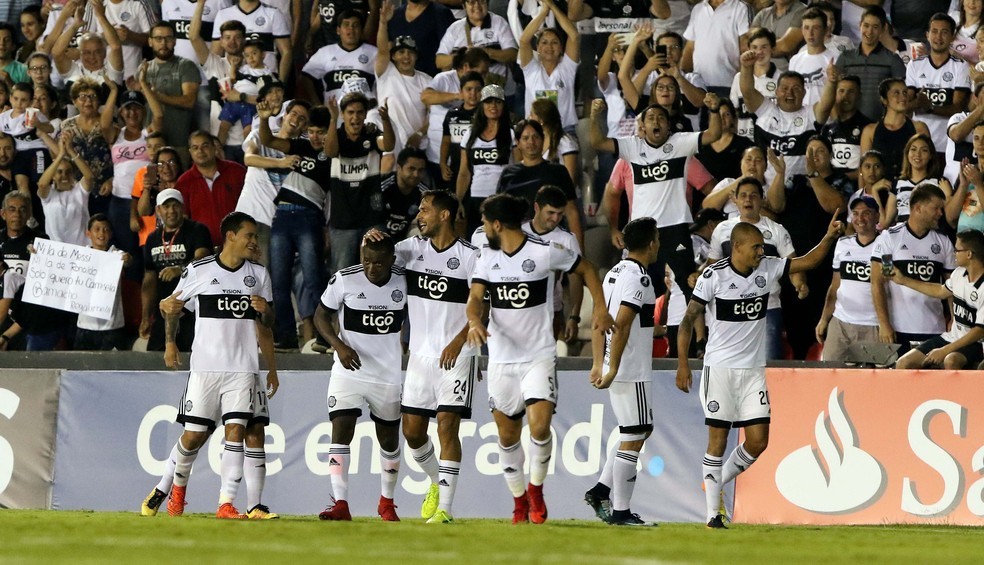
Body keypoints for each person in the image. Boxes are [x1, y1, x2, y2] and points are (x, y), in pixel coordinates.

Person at [676, 215, 844, 529]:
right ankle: (713, 514)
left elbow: (809, 261)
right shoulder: (713, 276)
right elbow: (688, 320)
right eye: (755, 247)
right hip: (721, 370)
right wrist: (683, 363)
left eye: (762, 247)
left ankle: (715, 481)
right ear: (736, 247)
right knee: (717, 441)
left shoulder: (767, 268)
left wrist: (829, 236)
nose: (760, 252)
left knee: (758, 442)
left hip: (753, 371)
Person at [464, 193, 614, 524]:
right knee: (507, 437)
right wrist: (474, 320)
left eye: (485, 222)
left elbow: (588, 269)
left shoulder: (545, 252)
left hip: (538, 356)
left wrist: (600, 309)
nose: (483, 228)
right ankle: (519, 501)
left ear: (497, 224)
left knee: (540, 426)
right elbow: (475, 298)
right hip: (501, 359)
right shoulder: (486, 258)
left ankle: (535, 489)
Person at [142, 211, 276, 520]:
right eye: (249, 235)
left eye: (255, 237)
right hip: (205, 369)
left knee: (236, 431)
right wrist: (170, 343)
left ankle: (225, 503)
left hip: (242, 368)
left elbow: (268, 323)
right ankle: (169, 489)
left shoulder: (258, 274)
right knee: (193, 436)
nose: (254, 241)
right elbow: (172, 306)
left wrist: (265, 311)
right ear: (231, 236)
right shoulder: (199, 270)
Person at [368, 190, 479, 524]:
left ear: (445, 215)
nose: (419, 215)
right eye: (419, 210)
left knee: (447, 426)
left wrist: (458, 342)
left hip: (457, 355)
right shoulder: (410, 249)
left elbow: (481, 308)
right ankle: (435, 481)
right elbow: (375, 261)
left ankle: (445, 508)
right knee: (413, 433)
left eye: (426, 210)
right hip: (420, 356)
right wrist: (370, 239)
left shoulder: (470, 257)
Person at [589, 93, 722, 301]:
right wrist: (594, 116)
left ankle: (695, 324)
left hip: (676, 228)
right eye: (651, 118)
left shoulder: (681, 143)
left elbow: (713, 134)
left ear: (668, 126)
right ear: (643, 126)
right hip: (642, 230)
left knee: (689, 287)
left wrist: (714, 110)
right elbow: (597, 142)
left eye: (661, 118)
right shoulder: (632, 147)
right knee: (637, 289)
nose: (656, 122)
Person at [314, 234, 407, 522]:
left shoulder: (404, 281)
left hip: (386, 374)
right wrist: (338, 345)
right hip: (349, 371)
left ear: (392, 260)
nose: (371, 268)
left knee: (389, 440)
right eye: (366, 261)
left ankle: (387, 502)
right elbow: (320, 316)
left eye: (378, 263)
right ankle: (340, 503)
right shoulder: (345, 279)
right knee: (341, 430)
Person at [584, 217, 660, 527]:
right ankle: (620, 511)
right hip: (630, 367)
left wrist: (597, 362)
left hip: (617, 363)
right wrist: (613, 367)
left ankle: (601, 490)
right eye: (657, 238)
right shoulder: (640, 278)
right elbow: (623, 325)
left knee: (640, 429)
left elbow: (599, 319)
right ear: (651, 243)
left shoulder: (614, 273)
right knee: (635, 434)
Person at [256, 101, 333, 351]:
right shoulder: (301, 145)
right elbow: (268, 140)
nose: (315, 136)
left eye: (320, 132)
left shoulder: (333, 155)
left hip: (309, 217)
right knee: (278, 281)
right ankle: (287, 335)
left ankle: (324, 336)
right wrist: (264, 119)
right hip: (282, 216)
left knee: (313, 279)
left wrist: (335, 120)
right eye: (311, 131)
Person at [703, 177, 802, 361]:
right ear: (735, 199)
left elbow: (793, 264)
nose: (748, 199)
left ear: (762, 199)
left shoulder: (776, 230)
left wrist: (799, 283)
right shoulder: (722, 229)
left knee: (768, 365)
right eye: (743, 195)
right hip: (729, 308)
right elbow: (712, 264)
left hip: (767, 308)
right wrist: (698, 276)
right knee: (729, 363)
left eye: (754, 195)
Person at [871, 184, 956, 355]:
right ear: (918, 208)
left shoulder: (943, 242)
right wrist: (884, 323)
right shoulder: (890, 239)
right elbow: (879, 282)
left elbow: (951, 286)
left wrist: (955, 319)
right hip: (898, 329)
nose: (940, 213)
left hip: (935, 329)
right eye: (936, 208)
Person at [891, 228, 984, 369]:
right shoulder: (959, 274)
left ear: (969, 254)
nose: (954, 254)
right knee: (904, 363)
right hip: (952, 337)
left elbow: (980, 331)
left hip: (976, 343)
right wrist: (903, 280)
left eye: (957, 250)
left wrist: (944, 350)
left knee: (950, 360)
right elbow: (940, 291)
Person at [140, 188, 212, 351]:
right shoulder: (152, 238)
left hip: (192, 309)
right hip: (163, 310)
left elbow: (204, 257)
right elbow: (149, 278)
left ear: (183, 207)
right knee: (157, 356)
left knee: (192, 356)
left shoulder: (197, 230)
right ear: (158, 210)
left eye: (175, 205)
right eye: (166, 206)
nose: (171, 210)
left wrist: (181, 268)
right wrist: (145, 316)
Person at [496, 119, 581, 248]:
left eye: (535, 137)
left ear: (543, 140)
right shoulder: (508, 174)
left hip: (553, 240)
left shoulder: (558, 171)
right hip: (517, 241)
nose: (531, 142)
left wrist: (579, 249)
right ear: (518, 143)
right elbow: (500, 213)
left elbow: (571, 211)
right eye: (525, 138)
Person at [816, 195, 881, 362]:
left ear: (877, 216)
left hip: (873, 325)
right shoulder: (843, 244)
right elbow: (835, 286)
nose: (860, 218)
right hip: (841, 323)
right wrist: (824, 319)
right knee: (830, 373)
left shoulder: (887, 244)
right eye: (855, 213)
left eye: (866, 213)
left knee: (870, 377)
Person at [906, 13, 971, 154]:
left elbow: (958, 108)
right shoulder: (914, 65)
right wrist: (916, 103)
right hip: (919, 145)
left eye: (944, 32)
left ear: (952, 37)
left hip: (946, 145)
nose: (938, 37)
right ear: (927, 35)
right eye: (934, 31)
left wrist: (929, 107)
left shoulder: (961, 66)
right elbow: (907, 104)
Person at [457, 84, 513, 236]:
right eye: (488, 101)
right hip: (476, 199)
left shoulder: (511, 134)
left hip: (502, 198)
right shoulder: (470, 134)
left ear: (503, 105)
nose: (493, 106)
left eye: (498, 102)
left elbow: (517, 169)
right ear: (482, 105)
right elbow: (464, 172)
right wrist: (459, 201)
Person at [835, 6, 907, 122]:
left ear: (883, 29)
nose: (869, 31)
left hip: (881, 125)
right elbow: (835, 93)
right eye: (866, 25)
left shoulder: (893, 60)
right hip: (849, 124)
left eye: (875, 27)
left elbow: (902, 95)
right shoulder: (845, 58)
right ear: (860, 25)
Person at [175, 130, 247, 245]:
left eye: (205, 146)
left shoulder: (236, 171)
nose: (200, 151)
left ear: (214, 148)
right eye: (195, 148)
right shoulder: (184, 182)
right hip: (202, 247)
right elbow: (184, 219)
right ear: (190, 152)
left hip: (239, 243)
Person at [518, 0, 579, 131]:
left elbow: (573, 35)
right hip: (535, 132)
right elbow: (523, 40)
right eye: (544, 42)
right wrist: (544, 11)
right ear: (538, 48)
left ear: (561, 48)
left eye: (554, 42)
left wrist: (552, 6)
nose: (549, 47)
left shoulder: (567, 68)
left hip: (564, 130)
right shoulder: (531, 70)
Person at [74, 214, 132, 351]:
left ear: (110, 234)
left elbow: (128, 261)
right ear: (88, 233)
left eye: (106, 230)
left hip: (112, 327)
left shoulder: (116, 254)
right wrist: (37, 254)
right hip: (85, 326)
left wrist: (128, 259)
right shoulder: (80, 256)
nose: (102, 233)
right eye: (97, 229)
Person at [144, 21, 201, 157]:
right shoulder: (144, 69)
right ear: (150, 42)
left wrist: (157, 96)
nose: (163, 43)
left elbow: (189, 101)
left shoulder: (186, 66)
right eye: (158, 38)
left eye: (168, 38)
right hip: (150, 146)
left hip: (178, 145)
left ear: (175, 41)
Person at [302, 10, 378, 105]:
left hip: (366, 112)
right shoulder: (325, 52)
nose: (351, 30)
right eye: (346, 25)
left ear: (361, 30)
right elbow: (305, 77)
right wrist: (317, 104)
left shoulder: (374, 53)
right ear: (338, 30)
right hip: (334, 112)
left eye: (355, 25)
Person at [860, 78, 931, 180]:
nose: (903, 97)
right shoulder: (870, 131)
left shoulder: (919, 128)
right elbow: (864, 169)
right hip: (880, 187)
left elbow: (928, 164)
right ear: (884, 100)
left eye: (905, 93)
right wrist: (865, 191)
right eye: (896, 93)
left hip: (911, 186)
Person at [37, 134, 95, 247]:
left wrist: (71, 151)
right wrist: (60, 155)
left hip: (82, 249)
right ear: (53, 176)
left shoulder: (80, 191)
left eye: (68, 171)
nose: (64, 175)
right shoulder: (49, 194)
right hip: (56, 250)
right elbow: (42, 184)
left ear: (73, 174)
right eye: (59, 172)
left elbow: (89, 177)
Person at [682, 0, 752, 94]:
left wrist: (740, 88)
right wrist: (682, 77)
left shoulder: (741, 8)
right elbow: (690, 48)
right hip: (698, 86)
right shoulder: (698, 9)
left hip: (728, 85)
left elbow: (746, 49)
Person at [379, 147, 429, 240]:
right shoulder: (381, 186)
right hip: (379, 235)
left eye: (420, 170)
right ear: (399, 167)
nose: (416, 174)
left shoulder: (424, 194)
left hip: (405, 238)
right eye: (411, 169)